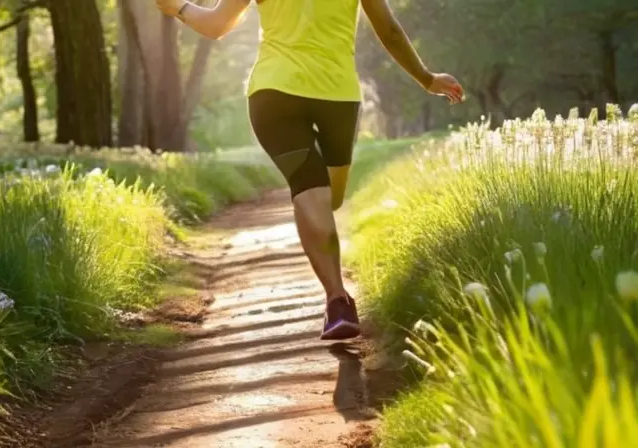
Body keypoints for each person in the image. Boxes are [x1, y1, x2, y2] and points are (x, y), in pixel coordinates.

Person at [155, 0, 465, 340]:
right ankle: (337, 300)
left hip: (319, 95)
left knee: (327, 198)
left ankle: (333, 289)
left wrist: (179, 8)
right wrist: (427, 79)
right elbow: (388, 30)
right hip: (291, 94)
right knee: (311, 190)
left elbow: (216, 24)